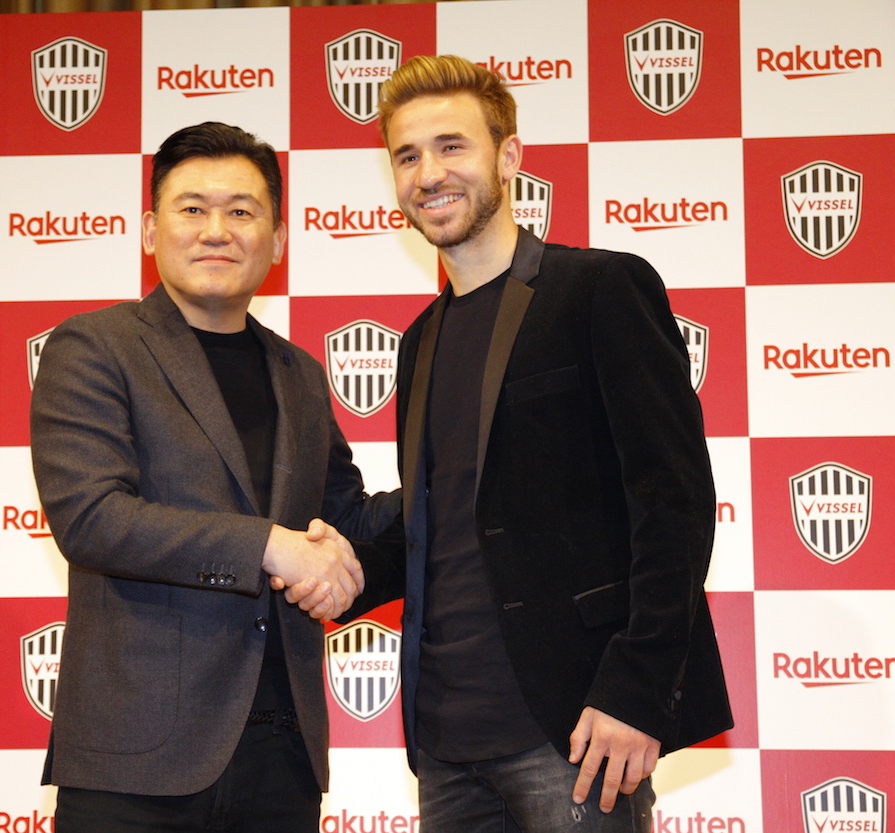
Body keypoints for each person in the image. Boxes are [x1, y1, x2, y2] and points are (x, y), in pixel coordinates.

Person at [297, 55, 732, 832]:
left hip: (576, 731)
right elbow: (447, 517)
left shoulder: (600, 288)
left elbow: (675, 502)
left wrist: (637, 687)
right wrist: (338, 565)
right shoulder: (419, 342)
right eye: (406, 155)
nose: (429, 173)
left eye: (452, 146)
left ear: (508, 155)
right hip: (445, 744)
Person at [30, 121, 400, 832]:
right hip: (137, 763)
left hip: (280, 757)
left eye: (242, 210)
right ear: (149, 228)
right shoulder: (95, 348)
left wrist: (462, 486)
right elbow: (93, 517)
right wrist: (268, 544)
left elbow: (342, 525)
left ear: (279, 239)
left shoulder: (299, 373)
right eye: (191, 208)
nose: (216, 230)